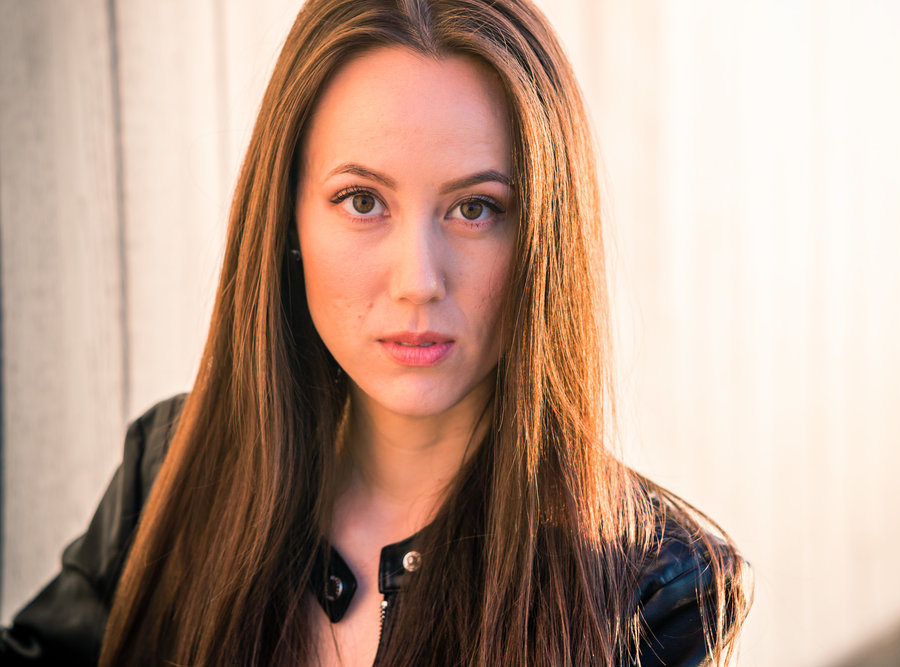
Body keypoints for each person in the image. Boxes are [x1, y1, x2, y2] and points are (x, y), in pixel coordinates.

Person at [1, 0, 750, 665]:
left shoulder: (657, 589)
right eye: (362, 200)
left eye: (476, 208)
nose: (418, 279)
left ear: (543, 238)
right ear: (288, 219)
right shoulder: (169, 469)